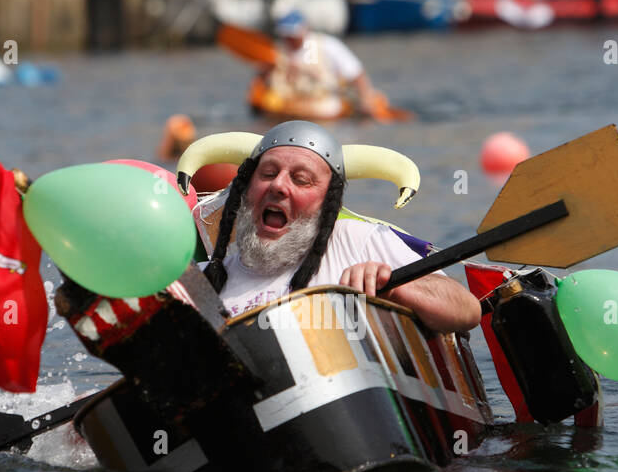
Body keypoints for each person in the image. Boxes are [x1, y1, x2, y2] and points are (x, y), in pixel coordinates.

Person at [199, 122, 481, 334]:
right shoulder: (202, 282)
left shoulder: (357, 240)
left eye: (301, 179)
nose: (278, 185)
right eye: (268, 174)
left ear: (327, 204)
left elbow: (467, 310)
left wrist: (395, 289)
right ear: (246, 189)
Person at [265, 11, 380, 113]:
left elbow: (355, 72)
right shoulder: (278, 50)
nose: (289, 39)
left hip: (324, 101)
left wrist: (365, 97)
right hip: (287, 103)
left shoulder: (325, 44)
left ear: (303, 30)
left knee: (329, 107)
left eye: (292, 35)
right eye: (286, 35)